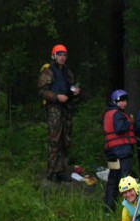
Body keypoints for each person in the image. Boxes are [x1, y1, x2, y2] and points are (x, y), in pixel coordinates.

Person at [38, 44, 81, 183]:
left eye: (64, 55)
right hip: (54, 109)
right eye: (60, 55)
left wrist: (75, 92)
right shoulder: (48, 71)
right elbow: (42, 91)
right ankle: (52, 172)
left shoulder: (68, 72)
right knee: (55, 139)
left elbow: (71, 86)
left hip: (66, 109)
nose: (62, 57)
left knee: (65, 139)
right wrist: (56, 97)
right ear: (54, 56)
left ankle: (61, 170)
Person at [103, 89, 136, 212]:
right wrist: (129, 121)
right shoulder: (117, 114)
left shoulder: (109, 112)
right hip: (121, 151)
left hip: (112, 152)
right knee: (125, 180)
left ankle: (108, 209)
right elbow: (119, 129)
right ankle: (127, 209)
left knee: (113, 180)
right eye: (121, 101)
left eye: (125, 101)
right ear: (115, 101)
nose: (124, 103)